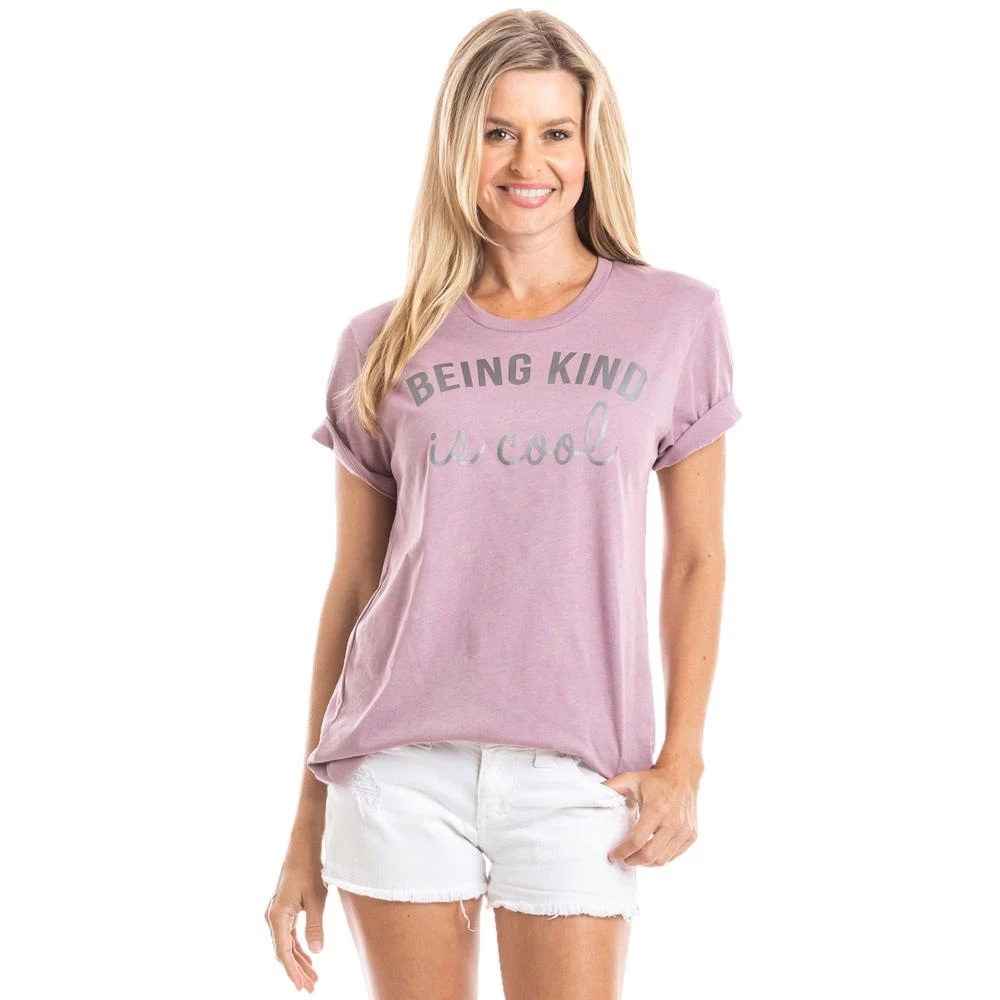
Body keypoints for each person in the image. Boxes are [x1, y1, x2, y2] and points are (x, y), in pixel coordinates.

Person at [265, 9, 742, 998]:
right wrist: (304, 828)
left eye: (554, 132)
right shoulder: (380, 341)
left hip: (579, 773)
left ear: (589, 145)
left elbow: (696, 556)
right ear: (458, 146)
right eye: (497, 132)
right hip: (397, 769)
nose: (529, 162)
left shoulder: (675, 319)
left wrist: (684, 759)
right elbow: (354, 583)